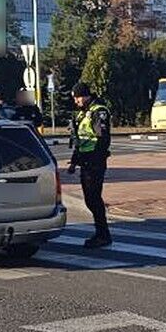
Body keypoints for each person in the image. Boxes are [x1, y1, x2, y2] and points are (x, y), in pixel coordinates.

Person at [68, 82, 112, 248]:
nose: (76, 101)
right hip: (85, 161)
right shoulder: (83, 113)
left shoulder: (98, 112)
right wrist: (74, 162)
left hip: (94, 161)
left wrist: (97, 159)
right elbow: (79, 140)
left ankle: (103, 234)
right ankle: (101, 232)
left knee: (93, 198)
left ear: (84, 95)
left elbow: (102, 139)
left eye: (77, 98)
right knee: (90, 199)